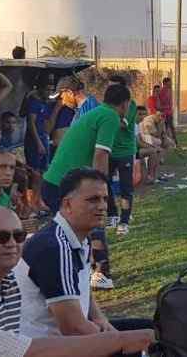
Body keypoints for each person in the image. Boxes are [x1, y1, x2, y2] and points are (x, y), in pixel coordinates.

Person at [0, 210, 157, 356]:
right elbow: (38, 347)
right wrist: (120, 340)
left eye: (19, 236)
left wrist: (106, 325)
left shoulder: (9, 279)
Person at [15, 168, 155, 354]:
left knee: (155, 329)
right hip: (51, 347)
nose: (102, 206)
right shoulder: (54, 248)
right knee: (149, 341)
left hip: (72, 338)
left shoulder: (78, 235)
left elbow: (82, 289)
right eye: (93, 200)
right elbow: (73, 328)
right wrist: (118, 341)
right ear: (67, 204)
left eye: (104, 199)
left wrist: (100, 318)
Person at [40, 84, 131, 291]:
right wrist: (100, 188)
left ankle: (83, 269)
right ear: (125, 104)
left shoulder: (98, 113)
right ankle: (100, 272)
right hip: (63, 185)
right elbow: (101, 154)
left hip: (55, 182)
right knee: (91, 223)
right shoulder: (110, 117)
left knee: (75, 228)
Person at [105, 75, 137, 237]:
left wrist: (104, 120)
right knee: (105, 183)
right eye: (109, 86)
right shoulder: (106, 106)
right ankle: (112, 214)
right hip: (109, 150)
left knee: (126, 188)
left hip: (125, 151)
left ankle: (124, 221)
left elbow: (122, 124)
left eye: (114, 86)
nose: (110, 90)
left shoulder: (130, 105)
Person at [22, 82, 51, 176]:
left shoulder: (45, 103)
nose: (49, 92)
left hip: (43, 138)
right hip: (34, 141)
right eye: (47, 90)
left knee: (44, 169)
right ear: (40, 89)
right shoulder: (34, 102)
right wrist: (39, 143)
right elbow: (31, 123)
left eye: (51, 90)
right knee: (34, 171)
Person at [158, 78, 177, 145]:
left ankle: (173, 141)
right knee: (166, 128)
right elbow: (161, 102)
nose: (171, 83)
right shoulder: (162, 91)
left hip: (169, 112)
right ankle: (167, 142)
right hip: (165, 113)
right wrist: (165, 108)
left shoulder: (169, 90)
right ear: (165, 83)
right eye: (169, 82)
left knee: (171, 127)